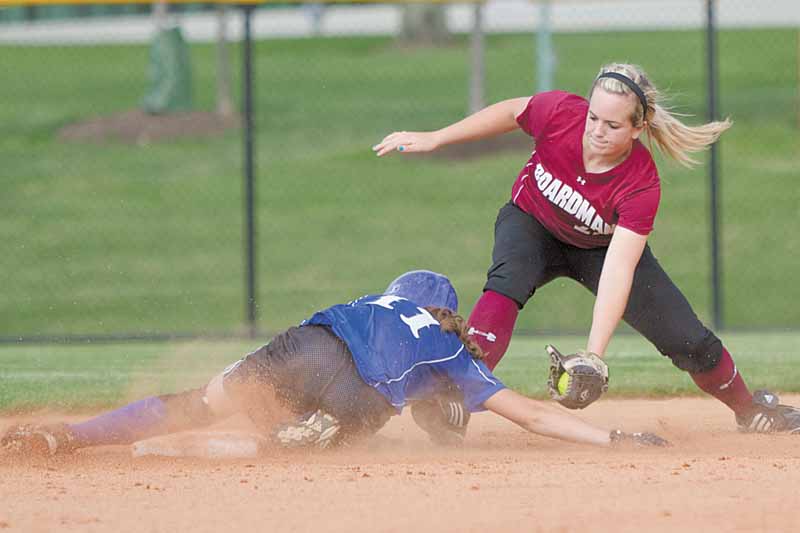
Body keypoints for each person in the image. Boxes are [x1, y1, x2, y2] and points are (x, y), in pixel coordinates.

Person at [373, 63, 800, 434]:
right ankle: (451, 399)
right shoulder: (561, 113)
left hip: (599, 250)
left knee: (688, 339)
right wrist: (437, 138)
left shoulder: (640, 183)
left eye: (612, 125)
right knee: (504, 288)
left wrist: (594, 356)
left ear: (638, 128)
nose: (596, 131)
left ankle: (749, 410)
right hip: (532, 223)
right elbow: (510, 112)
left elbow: (618, 267)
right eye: (594, 117)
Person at [0, 271, 667, 457]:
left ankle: (74, 435)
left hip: (309, 344)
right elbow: (531, 415)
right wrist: (612, 436)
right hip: (362, 397)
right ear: (447, 312)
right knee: (318, 438)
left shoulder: (377, 301)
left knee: (196, 401)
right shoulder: (447, 350)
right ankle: (276, 442)